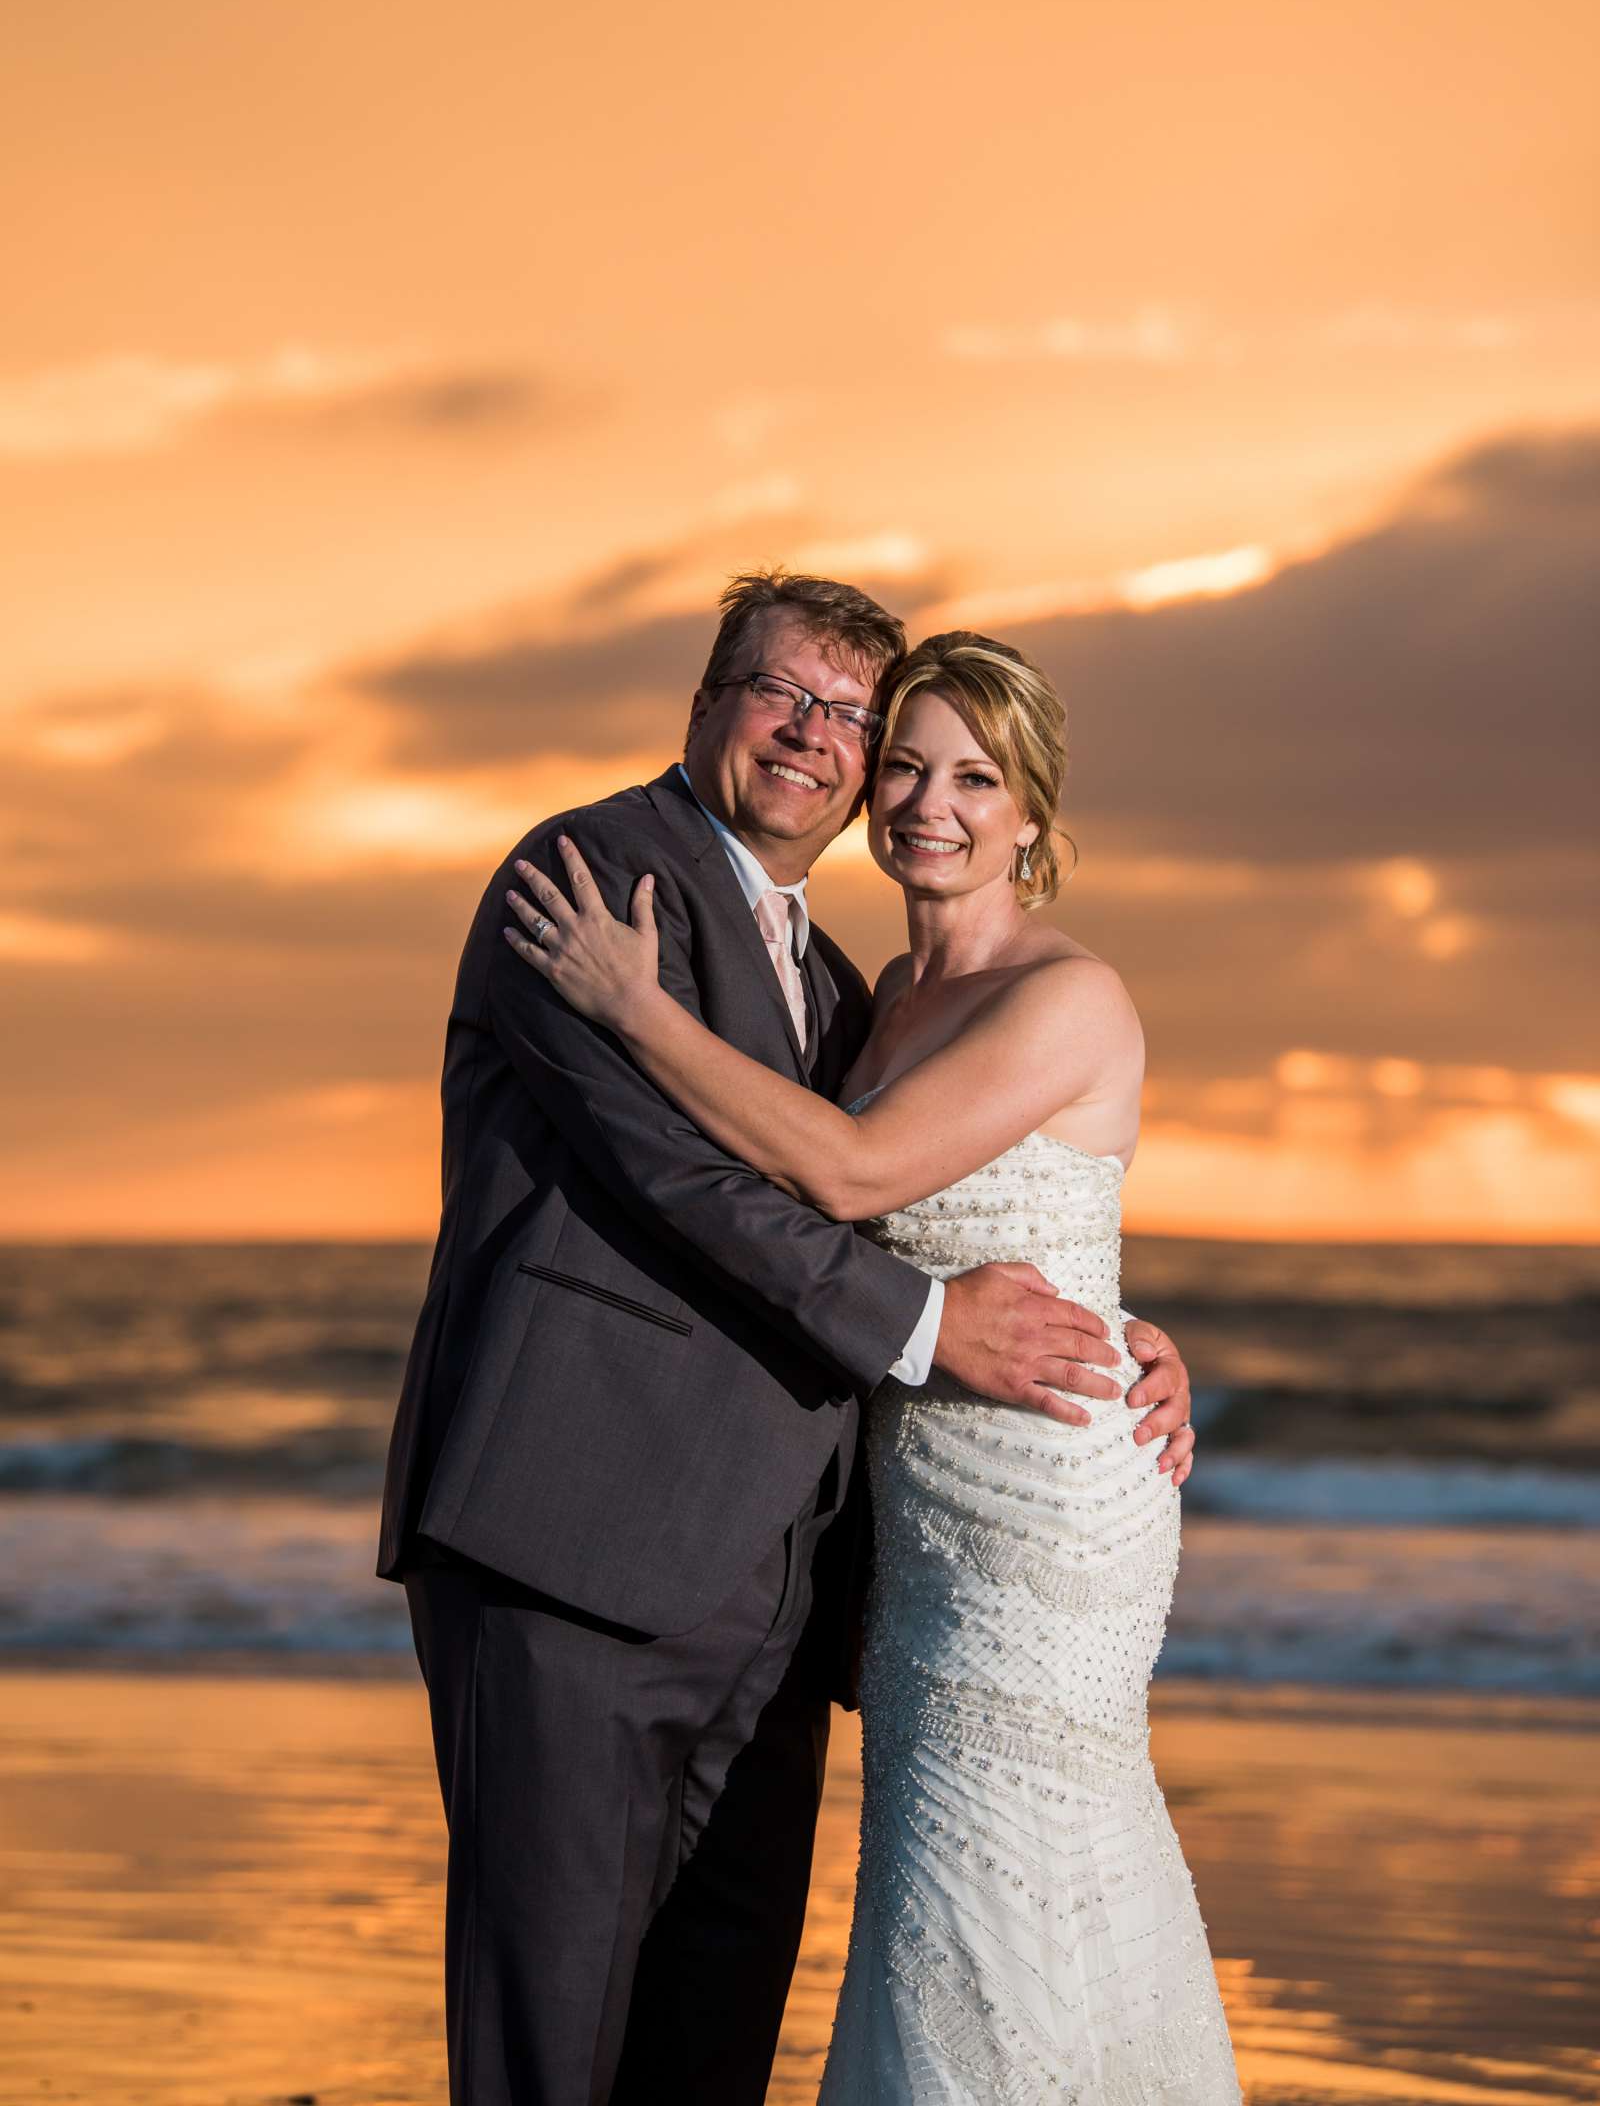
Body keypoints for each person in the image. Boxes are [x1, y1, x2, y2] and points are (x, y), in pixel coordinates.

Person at [378, 573, 1197, 2106]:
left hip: (779, 1586)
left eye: (850, 716)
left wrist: (1117, 1326)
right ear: (704, 705)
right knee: (553, 2035)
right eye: (786, 697)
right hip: (573, 1543)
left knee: (717, 2035)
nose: (822, 740)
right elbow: (704, 1186)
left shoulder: (839, 988)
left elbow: (917, 1194)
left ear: (1029, 812)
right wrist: (937, 1324)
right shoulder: (588, 883)